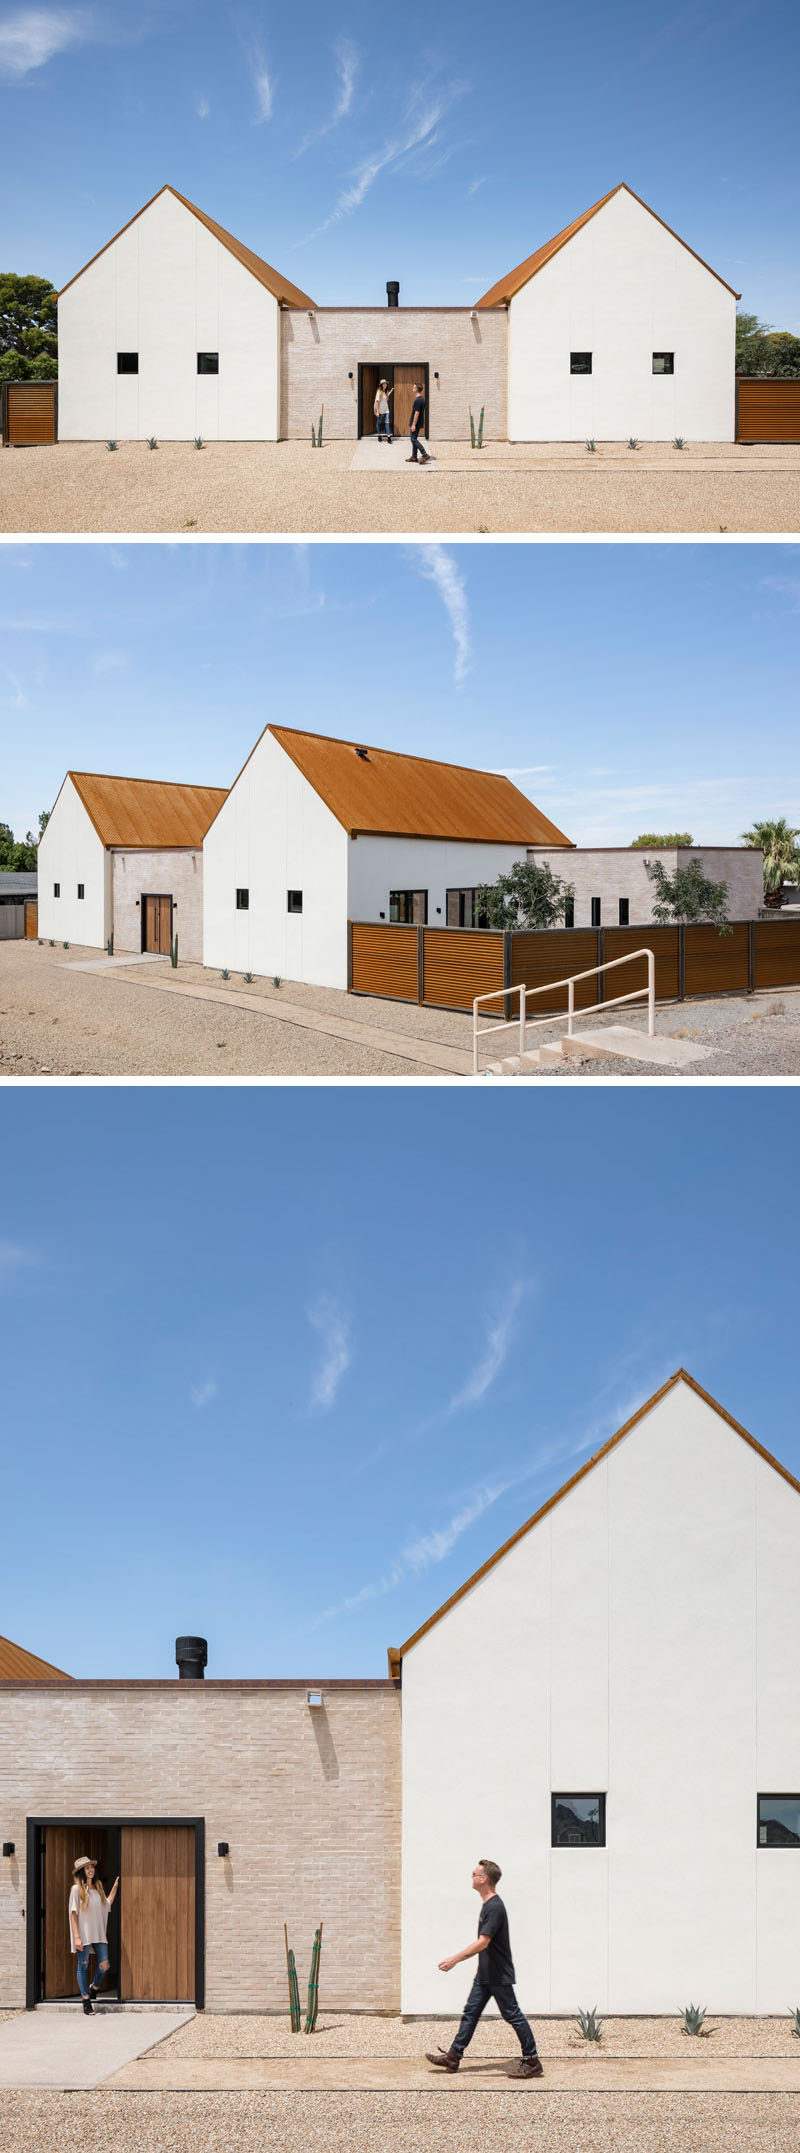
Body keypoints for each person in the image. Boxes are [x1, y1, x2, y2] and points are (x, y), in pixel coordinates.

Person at [426, 1859, 542, 2079]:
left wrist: (455, 1959)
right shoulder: (488, 1905)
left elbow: (483, 1942)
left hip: (498, 1974)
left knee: (513, 2015)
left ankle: (532, 2061)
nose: (471, 1876)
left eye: (474, 1874)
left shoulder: (495, 1907)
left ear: (483, 1879)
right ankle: (453, 2056)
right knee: (471, 2013)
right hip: (486, 1974)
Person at [68, 1855, 119, 2014]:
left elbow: (107, 1905)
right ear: (82, 1872)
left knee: (104, 1965)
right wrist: (77, 1936)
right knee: (82, 1966)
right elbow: (73, 1914)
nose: (91, 1870)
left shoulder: (98, 1888)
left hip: (99, 1934)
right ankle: (86, 2001)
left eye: (92, 1867)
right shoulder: (76, 1889)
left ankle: (94, 1988)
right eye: (87, 1868)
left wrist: (115, 1887)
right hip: (83, 1934)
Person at [406, 381, 430, 463]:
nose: (412, 389)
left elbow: (417, 413)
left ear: (416, 389)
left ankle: (424, 454)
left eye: (413, 387)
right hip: (418, 422)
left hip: (416, 422)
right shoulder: (421, 399)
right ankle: (414, 457)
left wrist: (413, 424)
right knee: (414, 439)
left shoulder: (418, 400)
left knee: (413, 439)